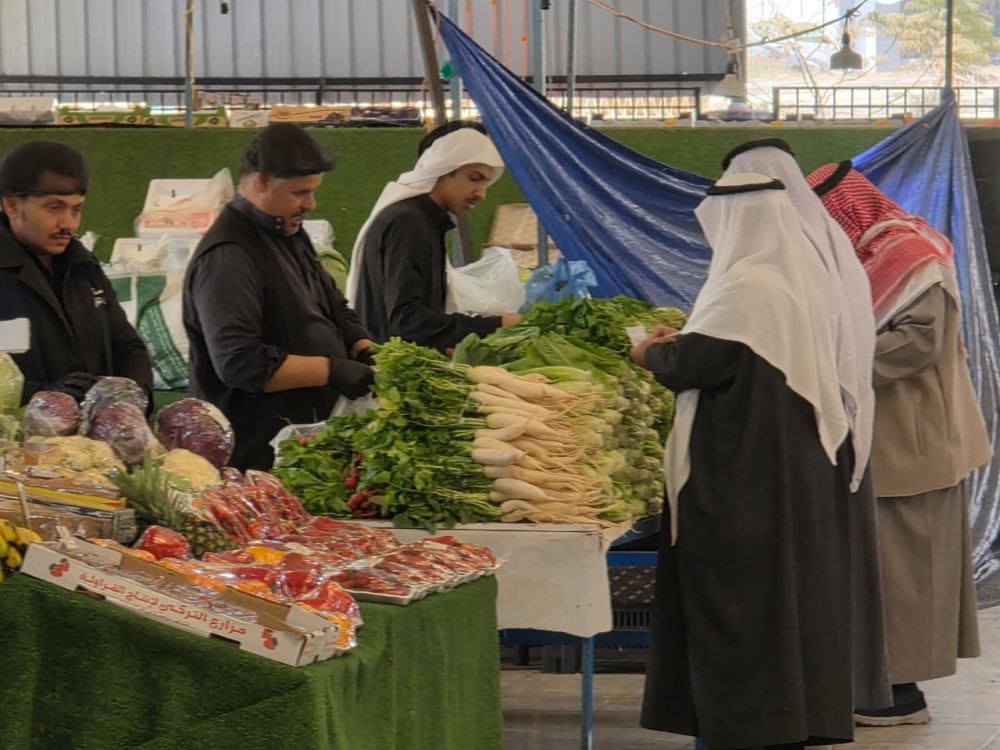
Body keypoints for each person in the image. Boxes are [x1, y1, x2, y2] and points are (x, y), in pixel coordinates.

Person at [634, 173, 855, 750]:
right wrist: (683, 340)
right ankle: (782, 723)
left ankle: (743, 730)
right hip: (787, 471)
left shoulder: (747, 288)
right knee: (783, 606)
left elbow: (694, 366)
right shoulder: (795, 281)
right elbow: (727, 351)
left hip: (740, 477)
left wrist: (651, 351)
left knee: (739, 608)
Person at [808, 161, 992, 726]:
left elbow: (919, 343)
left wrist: (831, 367)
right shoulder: (866, 261)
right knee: (886, 571)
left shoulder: (911, 257)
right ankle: (877, 681)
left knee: (907, 576)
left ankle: (897, 692)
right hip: (885, 438)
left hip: (914, 443)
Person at [722, 138, 892, 714]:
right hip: (840, 432)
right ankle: (839, 694)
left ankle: (814, 699)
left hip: (801, 441)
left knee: (810, 578)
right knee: (833, 574)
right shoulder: (829, 244)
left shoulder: (778, 258)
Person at [183, 123, 375, 471]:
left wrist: (362, 345)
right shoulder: (228, 256)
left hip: (299, 446)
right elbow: (240, 364)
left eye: (313, 191)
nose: (311, 204)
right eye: (300, 192)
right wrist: (331, 370)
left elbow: (333, 304)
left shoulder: (288, 232)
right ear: (262, 181)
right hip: (254, 458)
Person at [0, 140, 152, 405]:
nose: (68, 224)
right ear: (12, 206)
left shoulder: (85, 268)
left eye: (76, 209)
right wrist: (43, 399)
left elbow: (128, 347)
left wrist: (135, 399)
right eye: (54, 207)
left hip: (93, 441)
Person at [347, 121, 520, 353]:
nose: (481, 194)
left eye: (485, 182)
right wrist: (494, 325)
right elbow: (405, 321)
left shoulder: (424, 220)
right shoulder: (407, 223)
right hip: (391, 375)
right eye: (474, 178)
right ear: (443, 169)